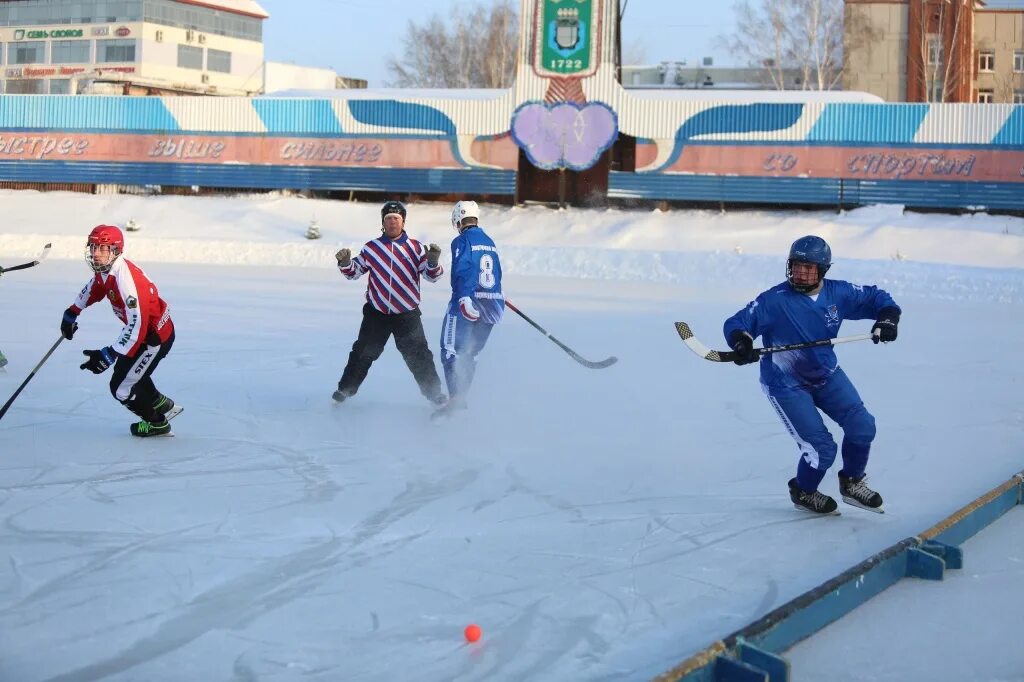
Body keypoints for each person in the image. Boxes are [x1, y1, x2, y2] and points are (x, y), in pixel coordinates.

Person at [723, 235, 900, 515]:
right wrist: (741, 342)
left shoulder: (838, 294)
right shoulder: (774, 300)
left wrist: (887, 319)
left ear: (823, 270)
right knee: (822, 448)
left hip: (826, 375)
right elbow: (737, 323)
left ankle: (852, 483)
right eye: (796, 266)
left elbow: (879, 299)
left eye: (809, 268)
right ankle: (803, 491)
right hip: (786, 385)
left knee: (863, 426)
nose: (801, 273)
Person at [60, 225, 178, 437]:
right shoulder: (106, 270)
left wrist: (110, 353)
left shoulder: (127, 282)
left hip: (154, 338)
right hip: (141, 334)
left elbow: (138, 324)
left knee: (121, 388)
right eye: (94, 247)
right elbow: (94, 288)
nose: (96, 253)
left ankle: (157, 424)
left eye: (102, 248)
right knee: (127, 373)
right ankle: (160, 403)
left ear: (115, 251)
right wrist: (72, 311)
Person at [333, 200, 447, 406]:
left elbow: (432, 276)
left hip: (407, 315)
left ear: (403, 223)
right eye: (388, 219)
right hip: (377, 314)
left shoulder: (416, 248)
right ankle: (344, 391)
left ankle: (435, 395)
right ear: (383, 223)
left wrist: (432, 262)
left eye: (396, 218)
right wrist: (345, 263)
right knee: (362, 352)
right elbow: (354, 272)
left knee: (419, 355)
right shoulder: (372, 248)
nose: (392, 222)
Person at [435, 200, 504, 417]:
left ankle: (455, 397)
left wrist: (464, 297)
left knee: (450, 349)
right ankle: (462, 396)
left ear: (457, 219)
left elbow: (463, 268)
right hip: (492, 303)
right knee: (470, 353)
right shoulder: (489, 241)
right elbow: (497, 272)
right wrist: (494, 291)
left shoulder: (462, 240)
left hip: (468, 302)